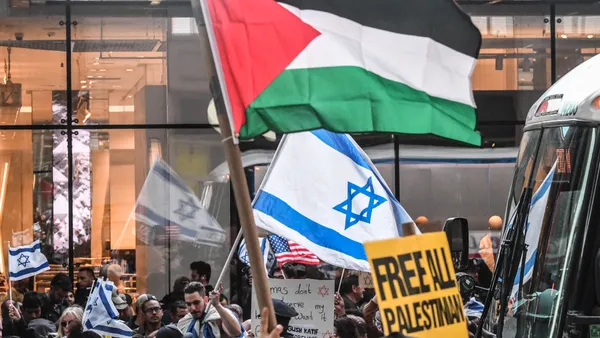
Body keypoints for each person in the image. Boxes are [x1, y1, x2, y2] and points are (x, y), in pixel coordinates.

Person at [177, 282, 242, 338]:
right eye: (188, 304)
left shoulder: (218, 316)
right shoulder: (184, 322)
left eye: (196, 303)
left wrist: (217, 305)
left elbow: (236, 333)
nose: (193, 308)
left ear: (205, 300)